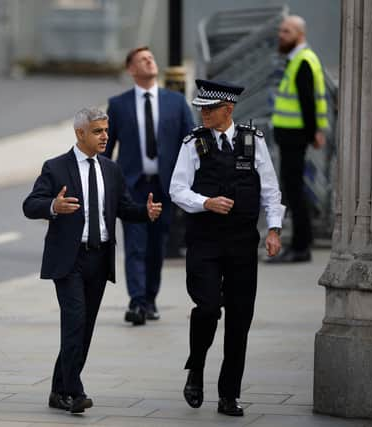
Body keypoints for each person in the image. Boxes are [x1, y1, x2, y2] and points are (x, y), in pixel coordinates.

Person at [23, 108, 162, 414]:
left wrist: (145, 213)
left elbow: (124, 207)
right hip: (69, 259)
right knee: (74, 322)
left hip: (99, 259)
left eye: (106, 131)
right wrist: (53, 206)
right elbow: (30, 205)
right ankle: (74, 391)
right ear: (80, 133)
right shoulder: (56, 167)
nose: (104, 137)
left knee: (84, 329)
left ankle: (58, 390)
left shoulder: (111, 169)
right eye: (98, 131)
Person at [169, 79, 285, 416]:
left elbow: (270, 189)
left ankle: (228, 394)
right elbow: (177, 189)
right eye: (201, 108)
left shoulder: (253, 141)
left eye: (209, 109)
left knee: (239, 318)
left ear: (228, 109)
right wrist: (205, 202)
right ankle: (197, 367)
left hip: (242, 242)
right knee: (206, 307)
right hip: (205, 240)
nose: (203, 114)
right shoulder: (194, 143)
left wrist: (274, 229)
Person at [104, 46, 194, 325]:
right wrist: (101, 182)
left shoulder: (175, 103)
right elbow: (107, 147)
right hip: (132, 187)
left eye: (151, 57)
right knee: (134, 245)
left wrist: (190, 183)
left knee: (156, 246)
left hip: (164, 187)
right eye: (142, 59)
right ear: (132, 69)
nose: (149, 61)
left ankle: (150, 298)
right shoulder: (118, 104)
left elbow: (189, 144)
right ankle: (137, 302)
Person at [268, 15, 329, 263]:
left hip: (295, 136)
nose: (281, 35)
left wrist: (313, 132)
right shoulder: (297, 60)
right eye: (281, 30)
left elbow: (307, 102)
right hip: (291, 136)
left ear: (299, 35)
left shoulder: (303, 60)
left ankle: (301, 246)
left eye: (287, 31)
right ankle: (300, 243)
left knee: (294, 190)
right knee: (292, 189)